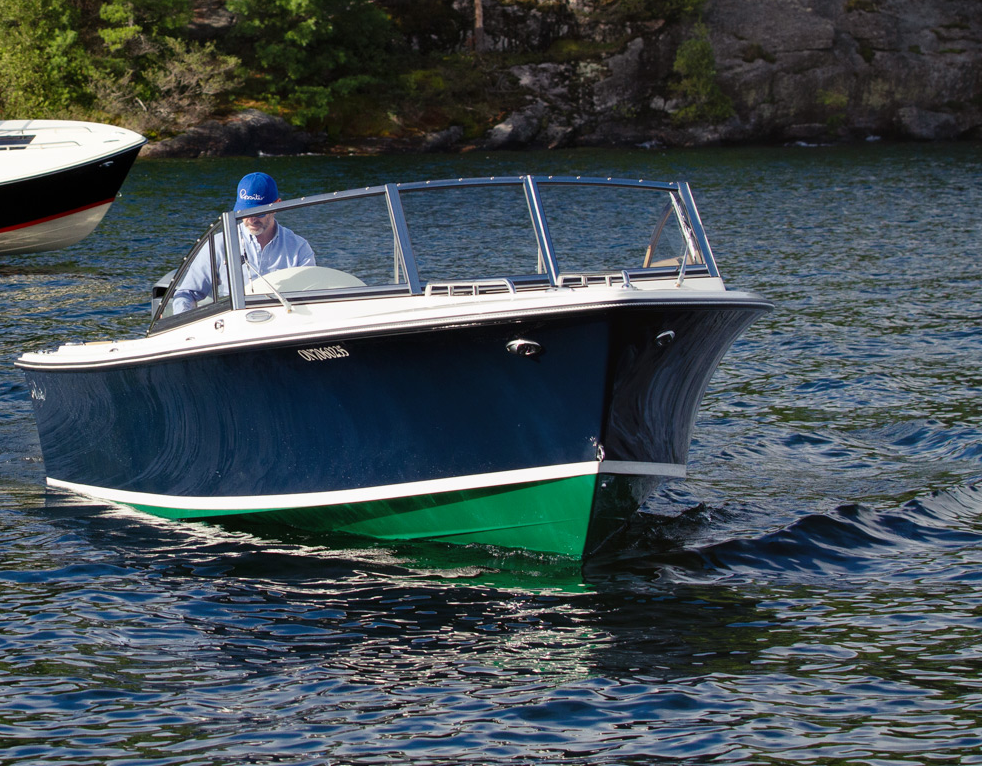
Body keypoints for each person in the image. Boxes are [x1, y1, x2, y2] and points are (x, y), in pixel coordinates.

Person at [170, 172, 315, 314]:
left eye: (259, 212)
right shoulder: (219, 245)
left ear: (277, 205)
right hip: (234, 325)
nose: (251, 219)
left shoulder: (299, 247)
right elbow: (186, 294)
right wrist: (183, 323)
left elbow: (312, 296)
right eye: (244, 211)